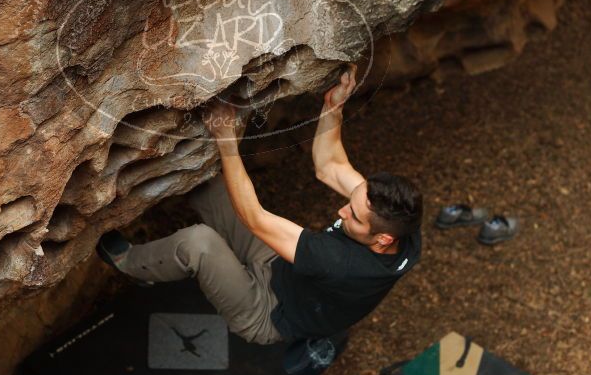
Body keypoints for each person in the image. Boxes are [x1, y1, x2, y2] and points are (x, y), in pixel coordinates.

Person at [97, 64, 423, 347]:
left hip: (267, 312)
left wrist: (226, 139)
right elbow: (331, 167)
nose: (341, 211)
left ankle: (130, 264)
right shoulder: (399, 221)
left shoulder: (340, 262)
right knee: (207, 181)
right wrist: (333, 107)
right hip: (283, 269)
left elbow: (254, 218)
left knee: (198, 243)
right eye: (350, 203)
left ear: (382, 241)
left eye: (353, 217)